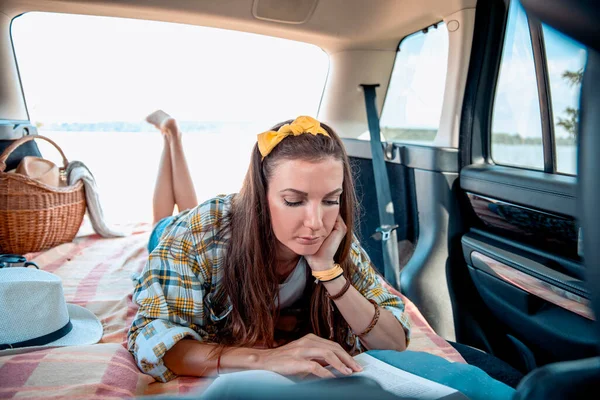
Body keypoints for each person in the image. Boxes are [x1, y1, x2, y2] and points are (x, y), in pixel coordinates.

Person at [127, 111, 514, 400]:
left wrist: (328, 271)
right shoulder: (197, 234)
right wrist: (263, 360)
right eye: (294, 201)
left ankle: (172, 136)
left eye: (330, 200)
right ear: (261, 197)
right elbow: (156, 341)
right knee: (163, 220)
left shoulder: (335, 236)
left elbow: (393, 340)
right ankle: (171, 135)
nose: (315, 222)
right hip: (181, 231)